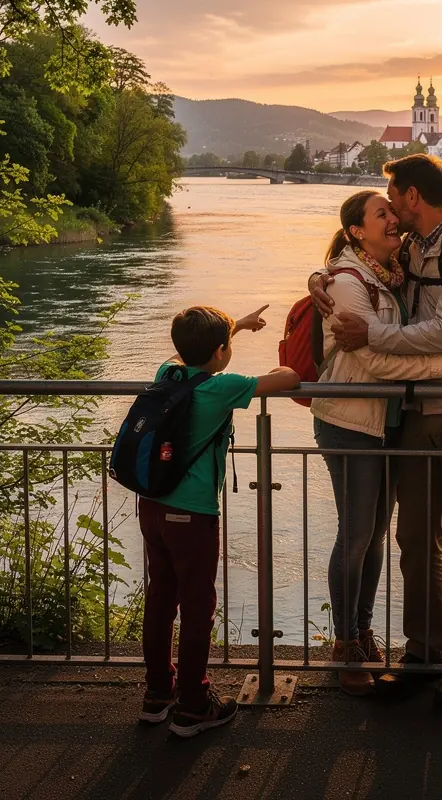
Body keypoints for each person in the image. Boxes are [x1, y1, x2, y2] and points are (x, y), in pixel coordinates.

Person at [310, 154, 442, 711]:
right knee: (413, 537)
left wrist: (369, 334)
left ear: (413, 197)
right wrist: (320, 279)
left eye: (392, 197)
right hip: (421, 409)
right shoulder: (415, 247)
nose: (392, 210)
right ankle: (423, 652)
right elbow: (350, 262)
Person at [139, 304, 300, 737]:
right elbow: (288, 378)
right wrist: (270, 357)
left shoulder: (166, 374)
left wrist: (236, 328)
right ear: (221, 351)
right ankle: (193, 705)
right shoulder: (223, 388)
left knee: (161, 597)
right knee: (197, 608)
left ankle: (158, 695)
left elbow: (190, 355)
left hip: (151, 506)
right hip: (191, 516)